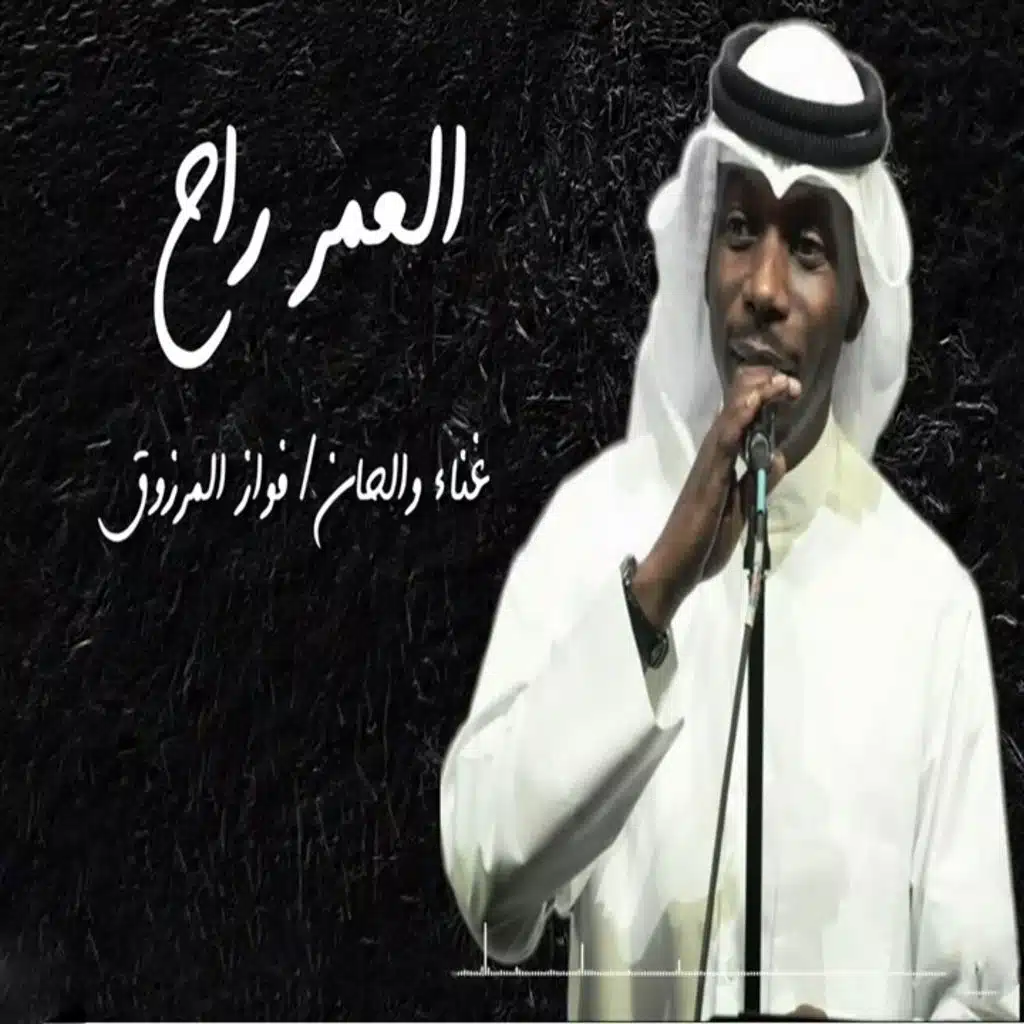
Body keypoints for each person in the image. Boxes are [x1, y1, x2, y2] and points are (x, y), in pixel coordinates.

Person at [439, 19, 1021, 1022]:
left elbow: (984, 998)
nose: (763, 290)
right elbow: (488, 890)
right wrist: (656, 590)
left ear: (856, 304)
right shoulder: (592, 529)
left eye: (808, 249)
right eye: (741, 231)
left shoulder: (928, 606)